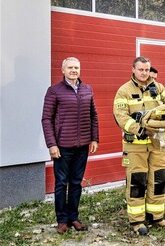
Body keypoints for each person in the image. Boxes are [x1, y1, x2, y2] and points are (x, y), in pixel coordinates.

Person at [113, 56, 165, 236]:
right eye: (141, 69)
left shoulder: (159, 87)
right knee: (137, 182)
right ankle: (137, 221)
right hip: (136, 145)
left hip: (157, 143)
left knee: (159, 179)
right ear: (133, 69)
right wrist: (139, 129)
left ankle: (157, 216)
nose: (144, 73)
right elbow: (121, 116)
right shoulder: (123, 91)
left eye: (147, 69)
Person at [41, 57, 99, 234]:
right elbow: (46, 119)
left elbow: (93, 116)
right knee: (61, 183)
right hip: (62, 146)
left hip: (82, 146)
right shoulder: (54, 91)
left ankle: (73, 217)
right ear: (63, 70)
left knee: (75, 183)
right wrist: (52, 144)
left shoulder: (87, 89)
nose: (74, 70)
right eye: (70, 67)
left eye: (77, 67)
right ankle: (62, 220)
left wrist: (94, 139)